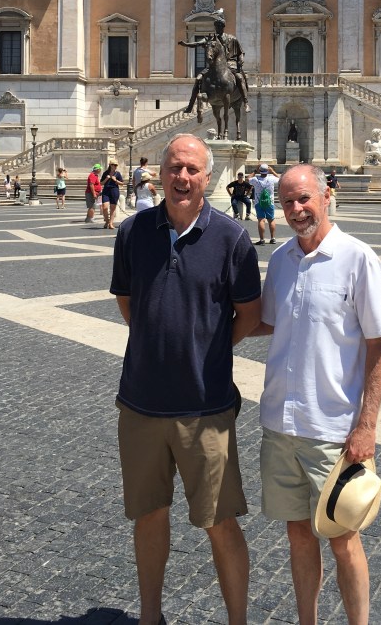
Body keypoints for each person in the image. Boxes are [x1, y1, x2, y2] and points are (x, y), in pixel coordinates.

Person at [110, 133, 261, 625]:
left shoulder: (232, 238)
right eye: (175, 167)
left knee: (220, 521)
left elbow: (248, 314)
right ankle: (150, 617)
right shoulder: (132, 232)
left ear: (208, 177)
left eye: (192, 169)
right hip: (141, 403)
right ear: (161, 173)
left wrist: (206, 349)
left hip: (205, 408)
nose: (182, 176)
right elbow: (129, 304)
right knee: (148, 514)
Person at [251, 164, 381, 625]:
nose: (296, 209)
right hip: (280, 424)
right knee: (297, 535)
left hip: (333, 429)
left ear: (326, 196)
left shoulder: (358, 258)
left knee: (344, 539)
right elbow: (267, 322)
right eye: (287, 202)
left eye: (304, 199)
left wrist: (367, 425)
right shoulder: (281, 260)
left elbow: (378, 345)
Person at [181, 11, 251, 115]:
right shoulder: (211, 40)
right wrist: (186, 44)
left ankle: (245, 102)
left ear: (223, 27)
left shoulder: (232, 39)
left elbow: (241, 52)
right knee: (198, 79)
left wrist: (241, 60)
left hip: (230, 64)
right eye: (216, 26)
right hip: (214, 66)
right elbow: (197, 43)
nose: (218, 28)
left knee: (240, 78)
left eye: (219, 26)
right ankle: (190, 105)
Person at [250, 163, 280, 245]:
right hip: (269, 202)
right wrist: (272, 171)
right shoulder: (271, 179)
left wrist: (255, 170)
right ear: (267, 171)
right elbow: (280, 179)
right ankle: (273, 238)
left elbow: (248, 178)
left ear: (260, 171)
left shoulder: (255, 179)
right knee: (271, 220)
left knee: (261, 220)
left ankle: (262, 239)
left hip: (259, 202)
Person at [101, 162, 123, 230]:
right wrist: (106, 179)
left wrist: (115, 180)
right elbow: (101, 183)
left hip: (114, 190)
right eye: (114, 165)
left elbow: (122, 183)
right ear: (111, 165)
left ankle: (111, 223)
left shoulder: (118, 173)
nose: (116, 166)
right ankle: (107, 221)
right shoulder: (105, 173)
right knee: (104, 207)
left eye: (116, 165)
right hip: (106, 190)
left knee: (112, 208)